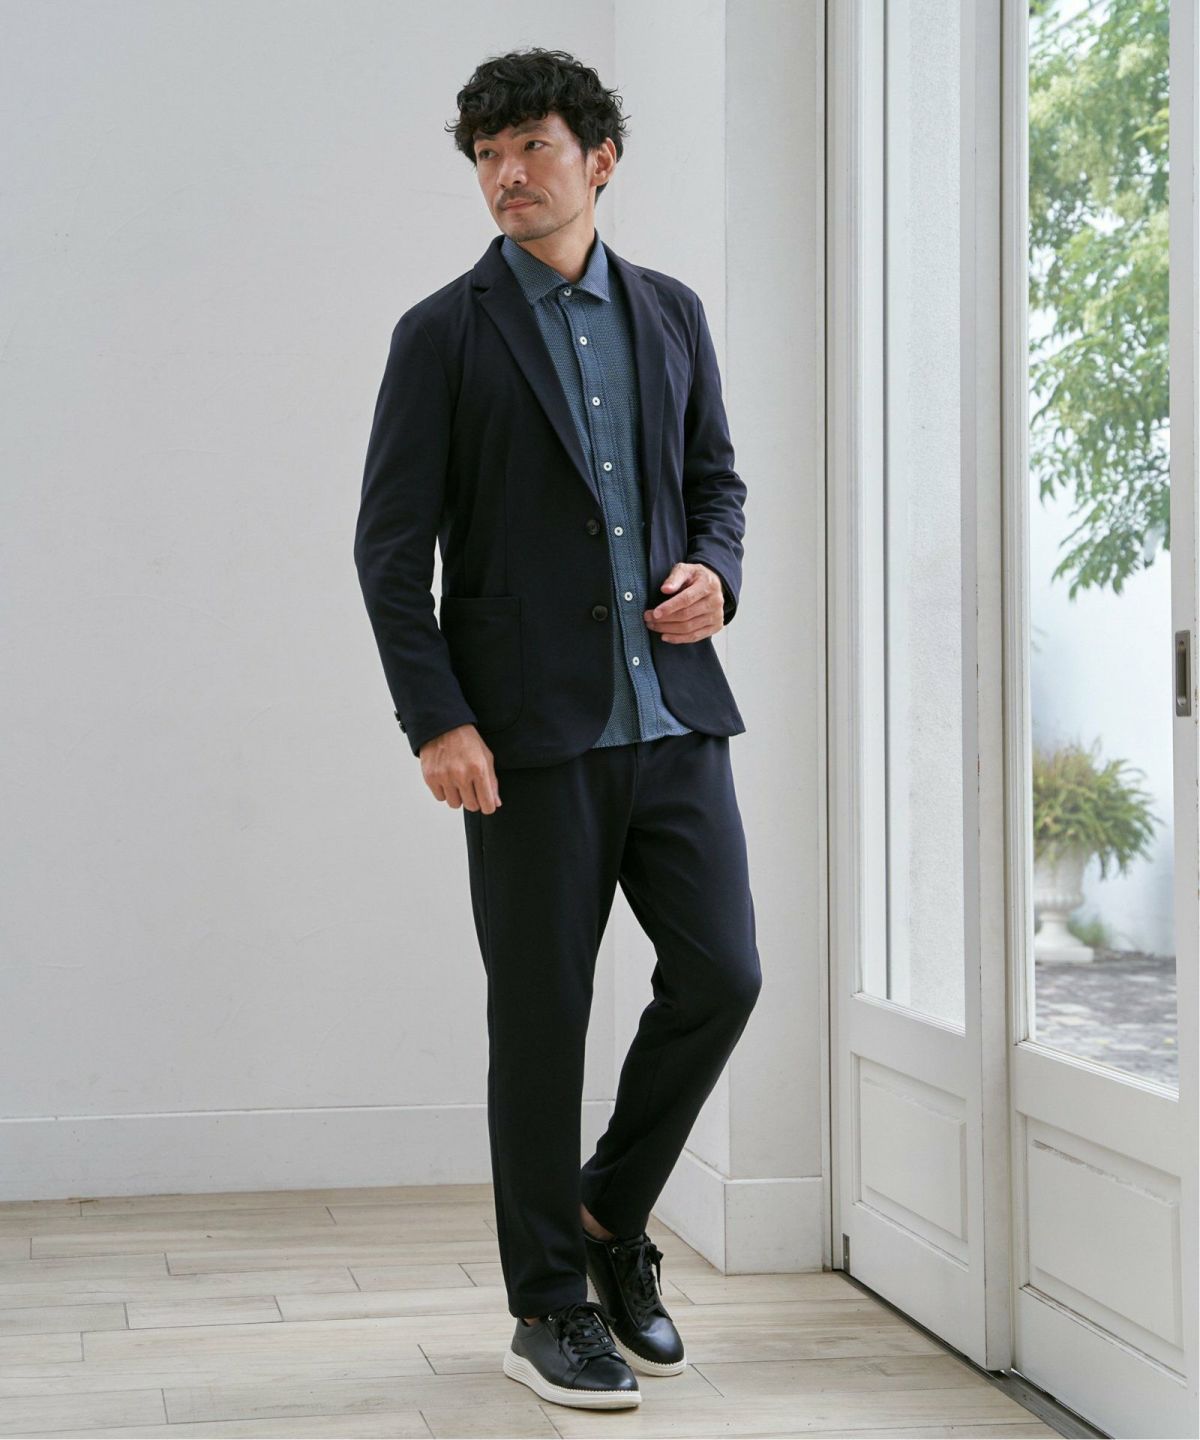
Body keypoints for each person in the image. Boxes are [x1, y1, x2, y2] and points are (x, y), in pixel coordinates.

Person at [353, 45, 762, 1412]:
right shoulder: (443, 334)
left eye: (531, 146)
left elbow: (716, 484)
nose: (506, 176)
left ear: (599, 159)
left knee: (723, 976)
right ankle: (546, 1307)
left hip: (674, 718)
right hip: (524, 741)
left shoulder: (672, 313)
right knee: (542, 1019)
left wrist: (717, 575)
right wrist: (438, 721)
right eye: (486, 155)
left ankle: (603, 1216)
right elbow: (388, 551)